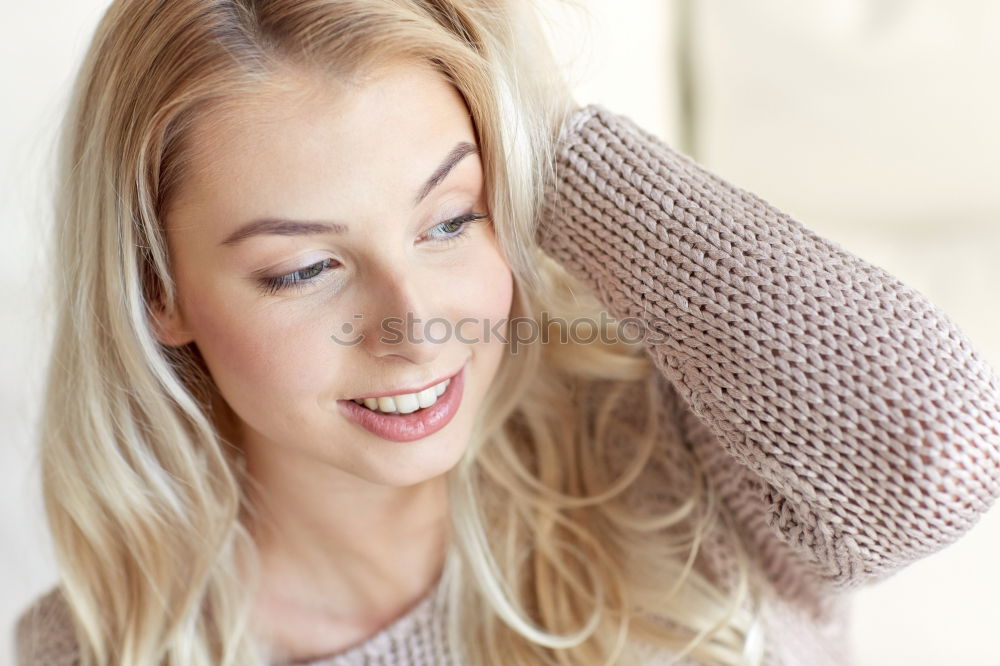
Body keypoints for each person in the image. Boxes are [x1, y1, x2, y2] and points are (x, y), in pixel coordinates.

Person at [13, 0, 1000, 665]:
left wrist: (546, 143)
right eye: (305, 268)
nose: (414, 326)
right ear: (157, 286)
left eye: (450, 219)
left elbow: (938, 451)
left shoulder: (676, 447)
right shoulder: (99, 644)